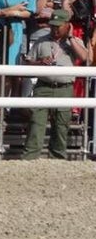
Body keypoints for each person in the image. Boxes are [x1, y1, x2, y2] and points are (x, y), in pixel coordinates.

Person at [22, 9, 89, 159]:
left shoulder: (74, 42)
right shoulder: (41, 41)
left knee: (61, 127)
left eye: (58, 26)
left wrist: (71, 38)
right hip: (43, 87)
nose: (55, 29)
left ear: (67, 25)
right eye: (53, 25)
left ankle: (57, 159)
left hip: (64, 89)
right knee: (36, 124)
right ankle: (30, 158)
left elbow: (84, 57)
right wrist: (39, 63)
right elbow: (27, 63)